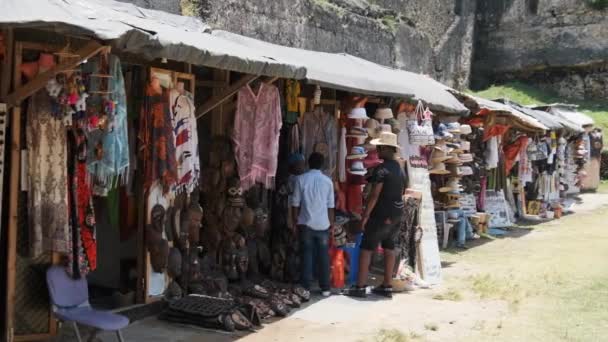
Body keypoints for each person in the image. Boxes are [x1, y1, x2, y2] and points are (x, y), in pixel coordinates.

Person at [346, 132, 405, 298]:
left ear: (386, 148)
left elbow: (374, 195)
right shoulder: (399, 168)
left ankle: (360, 286)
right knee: (389, 246)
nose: (377, 150)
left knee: (366, 248)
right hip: (396, 212)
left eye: (379, 147)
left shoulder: (382, 169)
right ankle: (387, 285)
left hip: (381, 213)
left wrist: (365, 217)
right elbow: (401, 191)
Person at [291, 152, 335, 296]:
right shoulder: (328, 181)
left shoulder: (300, 179)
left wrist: (294, 222)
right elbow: (331, 206)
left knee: (307, 255)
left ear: (308, 163)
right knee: (323, 256)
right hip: (323, 224)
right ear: (322, 165)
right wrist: (331, 224)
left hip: (305, 223)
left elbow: (295, 203)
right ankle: (325, 288)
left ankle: (306, 287)